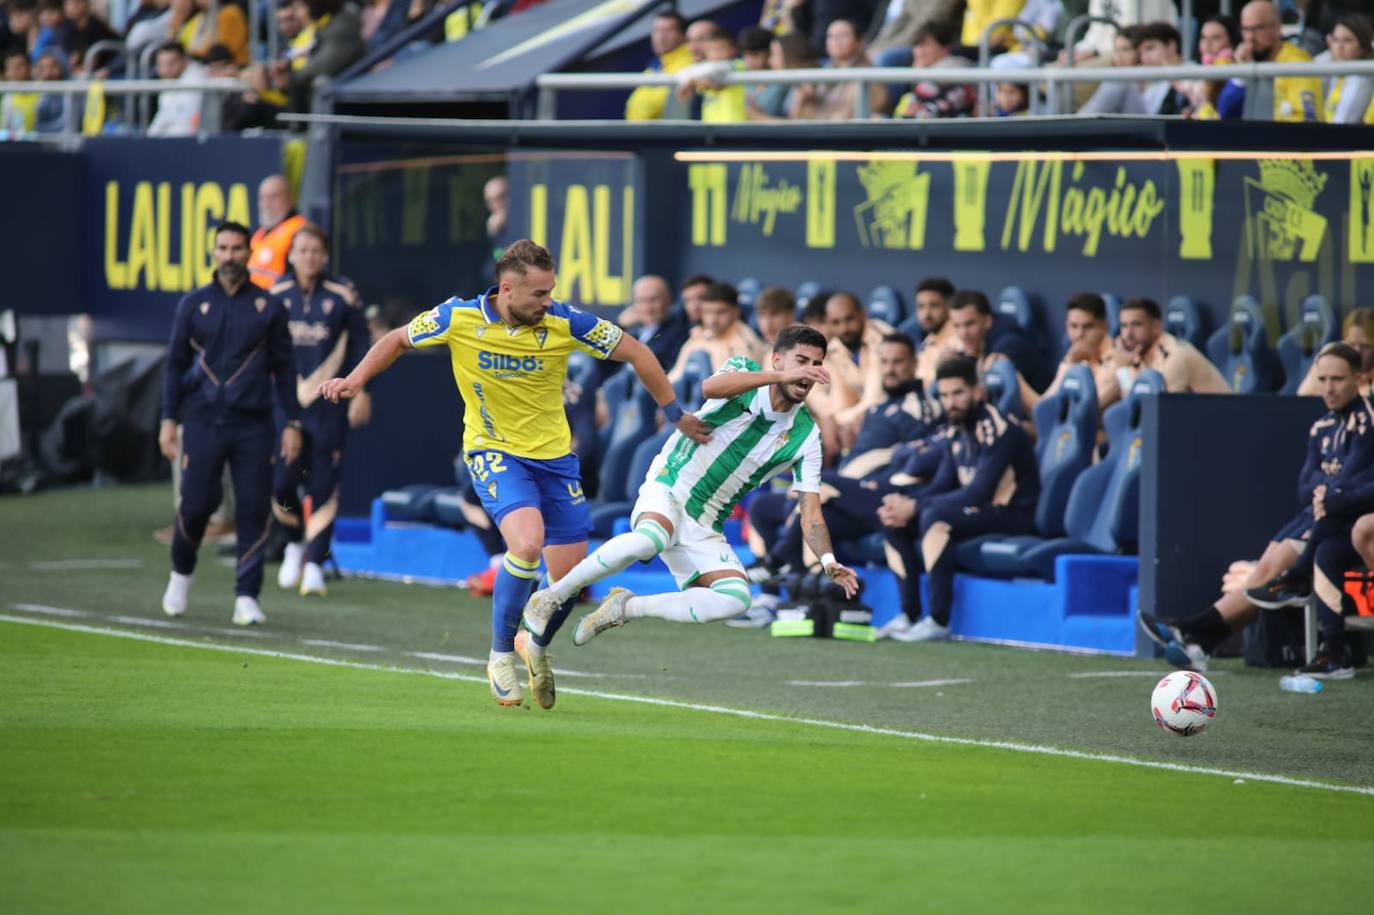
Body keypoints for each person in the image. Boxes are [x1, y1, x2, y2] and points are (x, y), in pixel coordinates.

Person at [318, 240, 711, 710]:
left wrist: (675, 414)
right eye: (539, 293)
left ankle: (534, 644)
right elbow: (398, 339)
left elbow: (639, 353)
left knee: (569, 579)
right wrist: (355, 380)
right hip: (493, 451)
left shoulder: (566, 321)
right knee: (526, 545)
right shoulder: (458, 317)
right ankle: (501, 655)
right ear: (506, 289)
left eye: (551, 291)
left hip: (556, 460)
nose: (548, 301)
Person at [521, 326, 859, 646]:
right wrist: (780, 377)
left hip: (706, 520)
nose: (809, 371)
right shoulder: (744, 372)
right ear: (777, 360)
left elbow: (811, 513)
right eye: (801, 361)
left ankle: (624, 607)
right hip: (672, 481)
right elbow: (710, 388)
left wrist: (828, 561)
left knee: (735, 599)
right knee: (649, 539)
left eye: (816, 363)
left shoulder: (806, 436)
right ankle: (550, 596)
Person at [1140, 343, 1374, 674]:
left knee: (1268, 573)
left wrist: (1329, 491)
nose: (1328, 388)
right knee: (1265, 569)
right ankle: (1199, 637)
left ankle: (1196, 631)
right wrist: (1327, 489)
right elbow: (1304, 487)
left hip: (1342, 522)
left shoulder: (1366, 423)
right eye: (1322, 379)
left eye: (1337, 379)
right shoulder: (1322, 426)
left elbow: (1349, 485)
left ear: (1359, 378)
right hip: (1315, 514)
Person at [159, 222, 303, 627]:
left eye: (237, 248)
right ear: (213, 252)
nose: (229, 256)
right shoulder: (193, 305)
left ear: (248, 254)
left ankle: (246, 597)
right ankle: (180, 575)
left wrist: (292, 422)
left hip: (254, 424)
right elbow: (174, 366)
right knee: (196, 504)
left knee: (254, 508)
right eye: (222, 248)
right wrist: (168, 419)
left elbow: (285, 369)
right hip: (202, 421)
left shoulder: (269, 307)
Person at [748, 332, 944, 598]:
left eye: (898, 362)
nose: (890, 369)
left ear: (914, 364)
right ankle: (776, 597)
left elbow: (918, 461)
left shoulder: (921, 407)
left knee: (817, 483)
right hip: (846, 497)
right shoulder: (878, 407)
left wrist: (882, 476)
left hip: (881, 496)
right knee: (763, 507)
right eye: (885, 362)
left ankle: (777, 560)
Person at [879, 355, 1040, 641]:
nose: (950, 402)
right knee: (893, 520)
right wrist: (903, 504)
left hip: (1010, 513)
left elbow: (978, 493)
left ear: (977, 391)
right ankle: (908, 614)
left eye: (958, 393)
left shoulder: (998, 428)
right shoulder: (958, 429)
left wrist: (916, 506)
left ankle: (938, 620)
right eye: (944, 395)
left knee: (934, 517)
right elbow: (942, 485)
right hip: (977, 510)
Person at [269, 225, 370, 597]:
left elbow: (361, 343)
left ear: (325, 255)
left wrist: (361, 391)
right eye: (303, 250)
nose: (309, 257)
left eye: (316, 251)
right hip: (285, 403)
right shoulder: (275, 294)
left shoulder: (343, 293)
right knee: (281, 483)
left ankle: (314, 563)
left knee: (324, 483)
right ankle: (294, 542)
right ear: (291, 255)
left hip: (329, 402)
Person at [817, 290, 894, 449]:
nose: (844, 329)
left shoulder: (883, 339)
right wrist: (837, 421)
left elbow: (874, 400)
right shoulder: (834, 349)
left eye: (849, 319)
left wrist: (844, 420)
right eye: (836, 322)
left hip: (892, 413)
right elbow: (842, 402)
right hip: (862, 417)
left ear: (863, 314)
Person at [1109, 297, 1230, 395]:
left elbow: (1146, 409)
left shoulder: (1176, 355)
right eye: (1124, 326)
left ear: (1156, 326)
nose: (1128, 334)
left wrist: (1122, 371)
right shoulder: (1135, 355)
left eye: (1136, 325)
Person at [1236, 0, 1320, 122]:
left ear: (1277, 27)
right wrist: (1241, 75)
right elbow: (1227, 111)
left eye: (1258, 28)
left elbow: (1308, 119)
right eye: (1245, 29)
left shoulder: (1297, 63)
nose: (1250, 37)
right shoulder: (1246, 61)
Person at [668, 281, 766, 381]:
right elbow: (675, 377)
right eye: (708, 312)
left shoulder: (744, 340)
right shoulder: (697, 335)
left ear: (736, 312)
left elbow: (744, 384)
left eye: (720, 312)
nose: (713, 319)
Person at [793, 18, 887, 119]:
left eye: (843, 35)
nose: (836, 40)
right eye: (831, 36)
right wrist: (805, 100)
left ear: (859, 42)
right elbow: (799, 118)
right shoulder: (824, 73)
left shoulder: (868, 74)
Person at [1043, 292, 1118, 407]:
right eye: (1073, 326)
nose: (1079, 335)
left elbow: (1089, 409)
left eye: (1088, 327)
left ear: (1104, 327)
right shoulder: (1074, 356)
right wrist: (1070, 362)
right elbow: (1047, 402)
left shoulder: (1116, 359)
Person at [892, 20, 974, 119]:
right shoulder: (919, 73)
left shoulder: (955, 68)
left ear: (945, 48)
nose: (920, 51)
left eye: (926, 45)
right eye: (917, 45)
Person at [625, 10, 693, 120]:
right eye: (657, 30)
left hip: (663, 129)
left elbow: (654, 106)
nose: (661, 37)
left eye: (669, 31)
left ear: (683, 35)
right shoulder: (657, 64)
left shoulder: (688, 62)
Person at [618, 274, 691, 371]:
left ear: (668, 300)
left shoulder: (678, 332)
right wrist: (620, 326)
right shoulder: (633, 332)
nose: (648, 308)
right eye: (642, 300)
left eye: (654, 300)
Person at [250, 174, 306, 290]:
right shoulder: (261, 232)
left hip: (279, 297)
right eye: (262, 198)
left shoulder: (299, 230)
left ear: (290, 199)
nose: (266, 204)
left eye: (273, 197)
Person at [147, 40, 205, 137]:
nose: (166, 69)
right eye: (161, 64)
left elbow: (186, 124)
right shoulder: (168, 82)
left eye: (171, 63)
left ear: (184, 61)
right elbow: (161, 118)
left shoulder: (197, 80)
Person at [1323, 14, 1374, 124]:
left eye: (1347, 41)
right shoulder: (1332, 66)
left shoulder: (1361, 79)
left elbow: (1342, 124)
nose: (1340, 46)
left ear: (1363, 46)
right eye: (1335, 40)